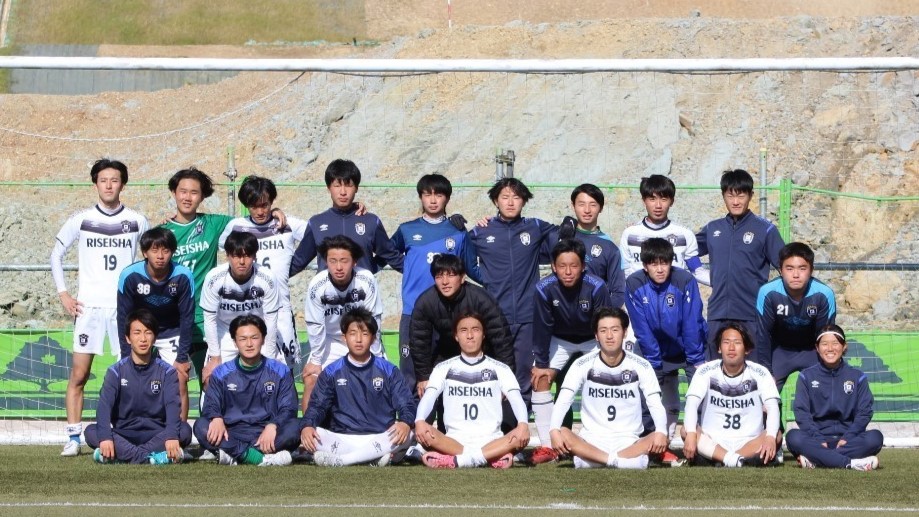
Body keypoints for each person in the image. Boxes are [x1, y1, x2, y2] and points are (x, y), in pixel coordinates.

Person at [50, 158, 149, 456]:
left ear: (123, 184)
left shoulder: (137, 220)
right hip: (88, 309)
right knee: (79, 374)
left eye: (114, 180)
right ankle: (73, 437)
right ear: (95, 183)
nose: (108, 185)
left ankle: (125, 430)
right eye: (103, 180)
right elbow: (56, 255)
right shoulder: (81, 219)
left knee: (129, 376)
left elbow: (154, 255)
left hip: (123, 309)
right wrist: (64, 294)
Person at [162, 168, 287, 400]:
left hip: (204, 317)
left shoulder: (214, 223)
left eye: (194, 192)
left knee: (209, 380)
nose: (188, 197)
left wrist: (273, 211)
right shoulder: (162, 232)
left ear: (202, 196)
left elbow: (254, 220)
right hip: (170, 319)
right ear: (173, 193)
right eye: (183, 191)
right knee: (171, 382)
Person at [467, 177, 562, 407]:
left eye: (516, 197)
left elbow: (561, 242)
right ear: (495, 201)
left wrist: (569, 224)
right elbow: (465, 261)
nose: (510, 203)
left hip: (528, 315)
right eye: (505, 197)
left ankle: (522, 421)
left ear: (524, 201)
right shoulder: (481, 231)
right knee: (495, 370)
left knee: (524, 372)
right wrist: (486, 279)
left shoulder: (535, 226)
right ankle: (495, 420)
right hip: (494, 314)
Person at [549, 307, 668, 469]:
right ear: (596, 335)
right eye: (603, 331)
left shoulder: (642, 365)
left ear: (625, 332)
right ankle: (621, 462)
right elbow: (564, 400)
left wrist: (661, 431)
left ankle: (593, 460)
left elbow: (655, 403)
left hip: (629, 440)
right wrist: (553, 430)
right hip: (591, 440)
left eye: (615, 330)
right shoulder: (581, 364)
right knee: (562, 431)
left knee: (659, 434)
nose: (609, 336)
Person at [530, 239, 612, 465]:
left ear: (583, 266)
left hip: (592, 340)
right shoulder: (543, 288)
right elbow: (542, 328)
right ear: (553, 267)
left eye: (574, 266)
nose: (568, 272)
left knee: (607, 379)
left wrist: (607, 356)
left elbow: (605, 324)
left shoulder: (597, 286)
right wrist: (542, 364)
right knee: (540, 378)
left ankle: (604, 440)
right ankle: (548, 445)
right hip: (560, 340)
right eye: (562, 266)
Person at [300, 308, 416, 467]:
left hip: (380, 437)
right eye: (353, 333)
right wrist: (307, 425)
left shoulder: (389, 371)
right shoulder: (331, 372)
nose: (359, 339)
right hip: (342, 438)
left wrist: (405, 422)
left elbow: (406, 404)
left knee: (410, 433)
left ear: (373, 338)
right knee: (313, 433)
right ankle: (373, 458)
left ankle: (343, 460)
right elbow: (317, 406)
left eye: (365, 334)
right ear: (344, 338)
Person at [389, 173, 470, 400]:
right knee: (410, 375)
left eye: (439, 195)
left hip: (448, 312)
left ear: (447, 198)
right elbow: (386, 251)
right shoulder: (407, 229)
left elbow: (469, 266)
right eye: (427, 194)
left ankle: (446, 421)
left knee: (448, 374)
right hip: (413, 312)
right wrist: (406, 266)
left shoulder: (458, 231)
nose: (433, 200)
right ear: (420, 197)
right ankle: (411, 420)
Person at [625, 237, 706, 462]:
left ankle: (703, 443)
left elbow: (692, 321)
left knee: (701, 395)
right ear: (645, 265)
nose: (660, 269)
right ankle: (651, 445)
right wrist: (653, 362)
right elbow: (641, 327)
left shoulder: (685, 280)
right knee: (648, 396)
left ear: (671, 263)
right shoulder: (634, 283)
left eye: (664, 263)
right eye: (654, 264)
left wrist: (695, 358)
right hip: (654, 350)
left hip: (688, 348)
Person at [416, 312, 530, 469]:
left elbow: (517, 400)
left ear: (483, 334)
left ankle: (458, 460)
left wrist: (523, 424)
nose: (470, 335)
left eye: (476, 329)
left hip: (492, 441)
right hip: (453, 441)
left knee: (520, 435)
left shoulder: (500, 368)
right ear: (456, 336)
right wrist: (419, 421)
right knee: (425, 432)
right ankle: (489, 458)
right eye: (463, 330)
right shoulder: (443, 368)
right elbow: (429, 397)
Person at [219, 175, 307, 369]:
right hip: (246, 308)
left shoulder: (286, 223)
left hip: (280, 308)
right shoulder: (236, 226)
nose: (260, 211)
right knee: (241, 367)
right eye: (254, 206)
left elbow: (318, 234)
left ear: (272, 202)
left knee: (285, 368)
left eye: (265, 205)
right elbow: (221, 247)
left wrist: (293, 267)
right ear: (246, 205)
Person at [696, 169, 785, 359]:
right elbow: (685, 249)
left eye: (741, 195)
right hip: (717, 313)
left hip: (752, 314)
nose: (735, 201)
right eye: (730, 196)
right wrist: (697, 271)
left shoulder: (765, 230)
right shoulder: (713, 228)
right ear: (723, 196)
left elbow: (786, 267)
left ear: (751, 195)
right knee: (715, 370)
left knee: (753, 369)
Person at [85, 309, 192, 465]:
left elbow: (173, 407)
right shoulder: (115, 372)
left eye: (148, 333)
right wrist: (106, 438)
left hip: (157, 434)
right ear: (128, 338)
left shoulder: (167, 372)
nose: (143, 339)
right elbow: (104, 408)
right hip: (123, 434)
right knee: (91, 431)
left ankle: (123, 455)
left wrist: (170, 436)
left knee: (184, 430)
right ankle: (152, 458)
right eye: (137, 333)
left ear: (154, 338)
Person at [193, 314, 298, 466]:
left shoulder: (281, 371)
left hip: (267, 433)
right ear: (235, 342)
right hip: (232, 433)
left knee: (295, 428)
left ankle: (234, 455)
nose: (249, 344)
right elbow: (210, 405)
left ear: (263, 339)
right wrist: (216, 417)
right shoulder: (221, 373)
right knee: (201, 426)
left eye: (254, 338)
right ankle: (261, 458)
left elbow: (289, 408)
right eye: (243, 339)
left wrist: (273, 425)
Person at [117, 227, 195, 420]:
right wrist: (126, 355)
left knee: (179, 379)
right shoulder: (130, 275)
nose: (160, 256)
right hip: (141, 332)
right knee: (128, 381)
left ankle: (179, 433)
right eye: (154, 250)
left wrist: (182, 357)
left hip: (171, 331)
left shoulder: (183, 275)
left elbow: (187, 318)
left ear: (172, 252)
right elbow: (123, 317)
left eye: (166, 250)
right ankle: (128, 428)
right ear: (145, 252)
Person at [409, 254, 514, 397]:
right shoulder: (425, 302)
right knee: (432, 393)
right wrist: (423, 376)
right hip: (446, 354)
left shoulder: (481, 299)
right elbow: (419, 341)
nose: (445, 282)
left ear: (463, 277)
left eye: (451, 275)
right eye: (439, 276)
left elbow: (501, 338)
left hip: (483, 353)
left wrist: (506, 377)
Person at [301, 235, 384, 411]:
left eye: (344, 261)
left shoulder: (366, 279)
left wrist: (375, 355)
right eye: (333, 261)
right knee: (311, 380)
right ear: (326, 262)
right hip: (329, 340)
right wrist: (316, 360)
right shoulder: (317, 285)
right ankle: (308, 425)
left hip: (360, 338)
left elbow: (373, 321)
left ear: (354, 262)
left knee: (379, 379)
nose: (338, 267)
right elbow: (315, 325)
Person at [681, 322, 781, 467]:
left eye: (737, 343)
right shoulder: (705, 370)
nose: (731, 348)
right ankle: (737, 461)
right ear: (719, 348)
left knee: (775, 435)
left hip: (749, 441)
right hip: (713, 441)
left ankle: (722, 460)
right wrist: (691, 434)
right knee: (686, 431)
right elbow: (691, 403)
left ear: (747, 349)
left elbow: (772, 407)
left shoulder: (760, 372)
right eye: (726, 342)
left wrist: (770, 437)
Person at [785, 325, 883, 471]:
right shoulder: (806, 376)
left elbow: (864, 412)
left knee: (875, 438)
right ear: (817, 348)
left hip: (848, 441)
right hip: (817, 441)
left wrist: (847, 438)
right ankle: (851, 463)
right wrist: (818, 438)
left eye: (835, 343)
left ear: (844, 347)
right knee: (793, 437)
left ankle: (818, 459)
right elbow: (801, 412)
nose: (830, 348)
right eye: (824, 344)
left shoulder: (858, 377)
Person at [289, 158, 403, 276]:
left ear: (357, 188)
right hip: (327, 288)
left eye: (348, 185)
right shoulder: (316, 223)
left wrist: (369, 269)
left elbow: (390, 256)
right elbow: (298, 261)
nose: (343, 192)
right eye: (337, 185)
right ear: (328, 188)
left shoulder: (371, 222)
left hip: (362, 288)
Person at [200, 231, 281, 385]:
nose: (242, 261)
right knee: (211, 379)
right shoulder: (214, 278)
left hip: (257, 331)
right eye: (237, 256)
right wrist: (215, 357)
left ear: (255, 256)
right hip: (224, 330)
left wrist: (270, 358)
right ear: (227, 256)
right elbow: (209, 320)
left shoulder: (267, 278)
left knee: (272, 377)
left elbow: (271, 321)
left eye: (247, 256)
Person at [756, 242, 836, 393]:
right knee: (764, 394)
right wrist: (765, 372)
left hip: (812, 351)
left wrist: (825, 371)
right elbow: (763, 335)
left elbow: (826, 337)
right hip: (779, 351)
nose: (796, 274)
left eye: (802, 268)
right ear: (780, 270)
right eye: (789, 268)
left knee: (824, 394)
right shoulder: (767, 293)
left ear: (811, 270)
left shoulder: (824, 294)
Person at [620, 174, 709, 285]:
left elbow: (697, 271)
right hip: (640, 295)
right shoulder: (630, 234)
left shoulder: (685, 234)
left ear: (672, 201)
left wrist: (725, 284)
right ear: (644, 201)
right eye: (652, 199)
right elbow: (625, 273)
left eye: (663, 199)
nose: (658, 205)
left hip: (675, 295)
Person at [564, 183, 625, 305]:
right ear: (573, 206)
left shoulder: (610, 247)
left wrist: (603, 314)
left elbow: (619, 292)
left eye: (593, 205)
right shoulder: (561, 237)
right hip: (563, 312)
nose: (587, 210)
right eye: (581, 204)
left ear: (601, 208)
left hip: (596, 313)